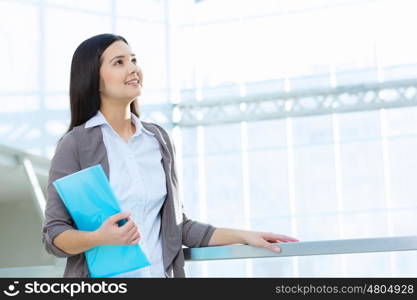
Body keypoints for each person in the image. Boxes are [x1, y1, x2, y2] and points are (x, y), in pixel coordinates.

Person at [42, 33, 299, 278]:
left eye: (134, 60)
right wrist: (100, 238)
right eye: (119, 63)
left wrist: (245, 236)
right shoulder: (75, 144)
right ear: (93, 78)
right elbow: (54, 234)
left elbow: (178, 226)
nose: (133, 68)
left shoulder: (158, 140)